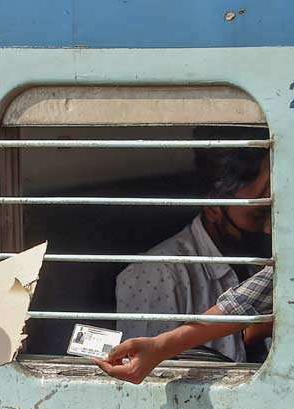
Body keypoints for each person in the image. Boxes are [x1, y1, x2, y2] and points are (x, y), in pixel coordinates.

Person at [115, 145, 273, 362]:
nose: (268, 229)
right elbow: (145, 372)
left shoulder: (257, 262)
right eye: (257, 216)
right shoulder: (159, 274)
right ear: (214, 207)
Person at [98, 265, 273, 384]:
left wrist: (159, 347)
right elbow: (242, 304)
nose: (267, 228)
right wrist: (158, 347)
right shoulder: (155, 272)